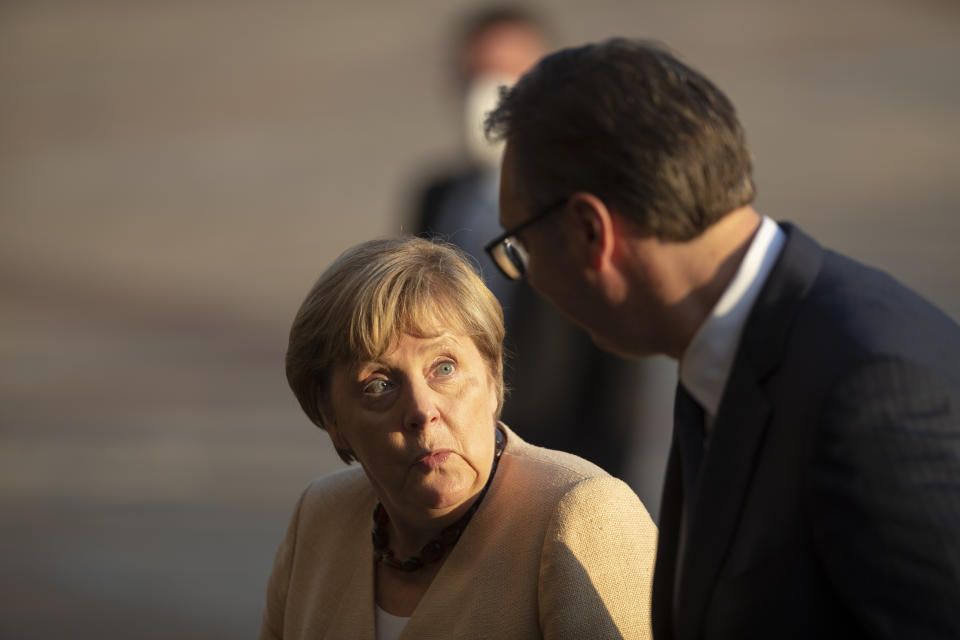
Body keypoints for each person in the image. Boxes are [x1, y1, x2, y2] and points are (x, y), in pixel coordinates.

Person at [483, 38, 960, 638]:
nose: (526, 278)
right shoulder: (720, 354)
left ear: (588, 231)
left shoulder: (869, 390)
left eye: (520, 245)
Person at [259, 236, 657, 639]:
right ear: (332, 420)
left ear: (492, 377)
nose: (421, 411)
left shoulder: (582, 515)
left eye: (444, 369)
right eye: (379, 385)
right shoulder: (320, 516)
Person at [409, 6, 664, 493]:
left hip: (552, 466)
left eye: (510, 78)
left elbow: (618, 378)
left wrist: (598, 494)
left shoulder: (591, 203)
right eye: (475, 77)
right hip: (447, 463)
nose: (487, 97)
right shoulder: (435, 196)